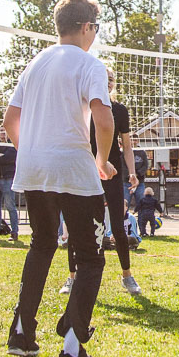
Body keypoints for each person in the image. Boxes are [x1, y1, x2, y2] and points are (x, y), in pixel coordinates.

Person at [4, 0, 116, 357]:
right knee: (90, 257)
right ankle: (71, 349)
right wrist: (100, 161)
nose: (94, 35)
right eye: (95, 29)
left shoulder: (34, 64)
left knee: (42, 244)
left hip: (34, 168)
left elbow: (9, 121)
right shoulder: (90, 64)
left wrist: (32, 152)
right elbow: (103, 119)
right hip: (71, 167)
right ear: (86, 27)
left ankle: (21, 332)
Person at [61, 67, 141, 297]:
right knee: (78, 225)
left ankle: (127, 276)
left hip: (112, 171)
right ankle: (72, 277)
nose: (108, 83)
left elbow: (127, 146)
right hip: (85, 170)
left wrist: (132, 172)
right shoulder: (82, 108)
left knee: (117, 224)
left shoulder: (119, 110)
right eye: (103, 79)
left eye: (111, 80)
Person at [123, 135, 148, 212]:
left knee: (141, 204)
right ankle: (124, 222)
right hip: (127, 182)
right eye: (132, 140)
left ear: (138, 141)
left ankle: (142, 223)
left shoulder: (142, 152)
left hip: (140, 183)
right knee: (124, 204)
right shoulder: (124, 152)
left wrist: (137, 174)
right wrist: (131, 174)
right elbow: (122, 167)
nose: (133, 142)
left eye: (135, 140)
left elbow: (145, 166)